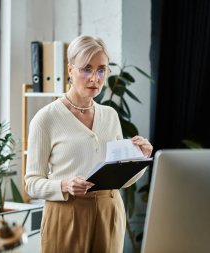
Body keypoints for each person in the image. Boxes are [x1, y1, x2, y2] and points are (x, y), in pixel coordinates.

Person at [25, 35, 153, 253]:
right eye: (86, 69)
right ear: (70, 71)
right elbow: (31, 183)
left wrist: (140, 158)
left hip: (109, 211)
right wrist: (64, 185)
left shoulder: (110, 116)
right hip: (67, 213)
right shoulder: (46, 118)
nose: (95, 78)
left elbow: (121, 179)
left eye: (101, 69)